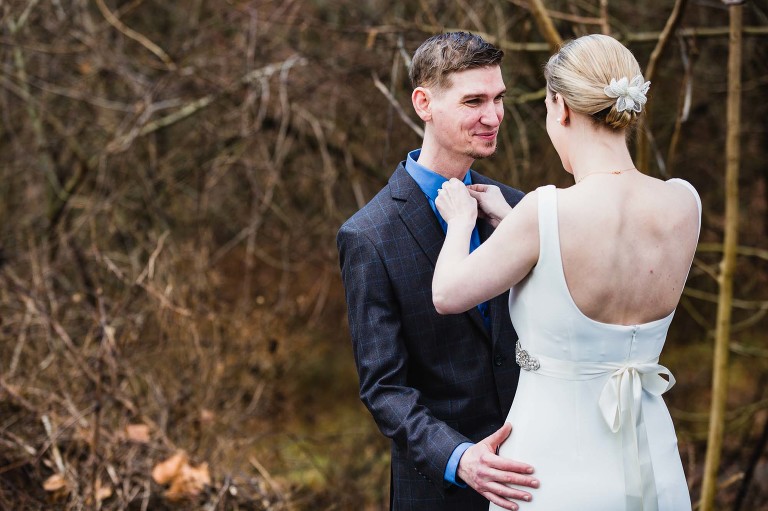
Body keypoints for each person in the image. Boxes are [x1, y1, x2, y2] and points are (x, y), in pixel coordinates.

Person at [433, 34, 698, 510]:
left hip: (552, 464)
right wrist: (516, 223)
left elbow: (448, 294)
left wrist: (460, 223)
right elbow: (609, 247)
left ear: (562, 108)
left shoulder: (545, 211)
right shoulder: (685, 202)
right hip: (651, 454)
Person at [337, 32, 539, 510]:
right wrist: (459, 458)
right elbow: (384, 388)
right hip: (439, 493)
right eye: (474, 101)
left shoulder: (519, 206)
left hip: (537, 476)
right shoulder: (369, 235)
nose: (493, 117)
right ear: (423, 103)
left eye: (498, 99)